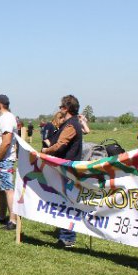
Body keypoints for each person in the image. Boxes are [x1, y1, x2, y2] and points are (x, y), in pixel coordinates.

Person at [42, 95, 84, 248]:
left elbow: (60, 145)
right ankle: (65, 234)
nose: (59, 109)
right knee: (63, 201)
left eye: (61, 106)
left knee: (67, 203)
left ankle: (68, 237)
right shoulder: (69, 124)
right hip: (66, 169)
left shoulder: (71, 125)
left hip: (68, 170)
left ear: (66, 108)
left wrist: (45, 151)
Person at [0, 94, 17, 230]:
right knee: (1, 189)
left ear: (0, 105)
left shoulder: (7, 118)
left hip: (4, 160)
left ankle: (13, 220)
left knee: (8, 189)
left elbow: (6, 142)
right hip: (1, 159)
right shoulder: (2, 118)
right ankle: (2, 216)